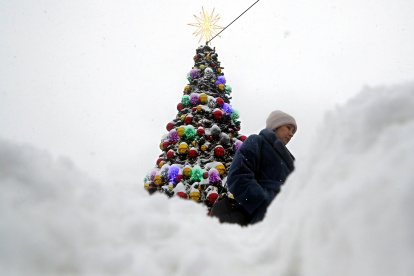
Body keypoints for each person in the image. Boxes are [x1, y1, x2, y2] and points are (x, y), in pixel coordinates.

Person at [226, 110, 297, 224]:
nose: (291, 134)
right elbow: (239, 176)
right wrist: (265, 202)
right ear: (276, 126)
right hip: (266, 217)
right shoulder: (257, 141)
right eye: (288, 127)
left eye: (293, 131)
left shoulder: (291, 160)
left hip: (288, 218)